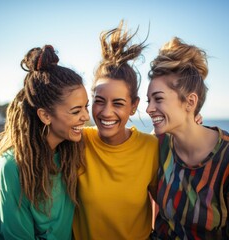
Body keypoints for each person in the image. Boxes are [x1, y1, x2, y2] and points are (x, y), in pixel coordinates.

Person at [0, 45, 90, 239]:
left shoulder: (69, 151)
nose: (86, 116)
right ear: (45, 115)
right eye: (76, 111)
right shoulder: (11, 166)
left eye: (86, 107)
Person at [73, 20, 160, 239]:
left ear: (134, 106)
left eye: (118, 103)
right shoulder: (78, 141)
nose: (106, 112)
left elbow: (168, 206)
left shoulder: (151, 148)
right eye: (99, 101)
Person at [146, 37, 229, 239]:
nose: (148, 109)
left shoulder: (225, 159)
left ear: (190, 102)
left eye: (158, 99)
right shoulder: (160, 144)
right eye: (149, 100)